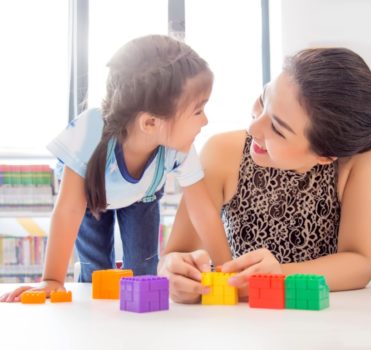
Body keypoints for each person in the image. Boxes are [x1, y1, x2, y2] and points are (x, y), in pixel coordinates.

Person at [158, 47, 371, 303]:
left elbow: (360, 263)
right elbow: (178, 253)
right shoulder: (222, 152)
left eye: (278, 128)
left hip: (326, 323)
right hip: (243, 324)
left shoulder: (361, 158)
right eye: (264, 99)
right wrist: (175, 271)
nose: (253, 127)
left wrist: (278, 276)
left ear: (324, 156)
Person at [0, 34, 231, 302]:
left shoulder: (180, 146)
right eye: (198, 111)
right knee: (97, 272)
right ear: (150, 123)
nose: (206, 121)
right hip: (90, 197)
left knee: (143, 272)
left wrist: (228, 272)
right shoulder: (89, 130)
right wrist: (52, 280)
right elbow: (68, 210)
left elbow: (203, 212)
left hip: (141, 196)